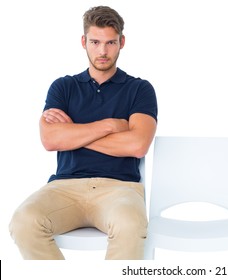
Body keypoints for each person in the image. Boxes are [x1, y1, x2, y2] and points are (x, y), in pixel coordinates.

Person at [9, 6, 158, 260]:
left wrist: (73, 133)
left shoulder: (139, 89)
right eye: (95, 42)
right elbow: (50, 139)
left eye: (110, 42)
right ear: (83, 42)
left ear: (122, 42)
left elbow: (137, 145)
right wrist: (111, 125)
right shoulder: (63, 87)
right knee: (23, 222)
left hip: (120, 189)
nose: (103, 51)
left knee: (130, 225)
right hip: (64, 188)